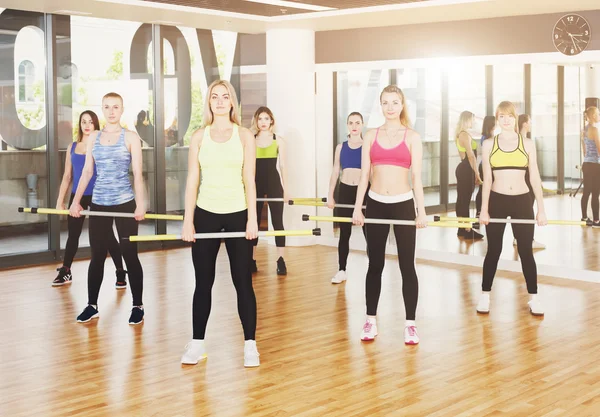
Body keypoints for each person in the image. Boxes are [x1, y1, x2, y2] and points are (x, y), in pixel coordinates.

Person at [180, 80, 260, 368]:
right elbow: (192, 180)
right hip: (206, 214)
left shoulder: (245, 136)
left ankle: (250, 345)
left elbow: (250, 180)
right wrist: (188, 220)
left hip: (238, 213)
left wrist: (252, 218)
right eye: (215, 97)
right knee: (203, 283)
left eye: (225, 96)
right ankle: (197, 344)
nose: (220, 101)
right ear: (209, 102)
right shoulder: (199, 137)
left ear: (232, 102)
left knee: (243, 283)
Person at [352, 85, 427, 345]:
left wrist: (421, 212)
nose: (391, 107)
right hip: (376, 203)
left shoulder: (412, 137)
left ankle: (410, 324)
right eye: (386, 103)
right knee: (375, 265)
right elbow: (364, 176)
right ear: (380, 106)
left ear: (402, 105)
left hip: (403, 203)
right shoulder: (371, 135)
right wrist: (357, 208)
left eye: (395, 102)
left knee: (408, 266)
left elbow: (417, 177)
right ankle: (370, 320)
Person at [70, 92, 146, 325]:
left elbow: (138, 175)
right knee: (97, 256)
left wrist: (141, 204)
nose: (111, 111)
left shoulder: (131, 137)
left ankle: (137, 306)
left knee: (129, 255)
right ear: (102, 110)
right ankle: (92, 305)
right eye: (107, 107)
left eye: (116, 107)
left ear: (122, 110)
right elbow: (87, 172)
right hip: (100, 203)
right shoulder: (93, 137)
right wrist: (76, 201)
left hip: (125, 203)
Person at [477, 101, 547, 316]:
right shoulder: (489, 144)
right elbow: (487, 180)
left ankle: (534, 298)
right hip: (497, 200)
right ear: (497, 119)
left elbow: (534, 177)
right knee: (494, 250)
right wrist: (484, 209)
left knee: (526, 251)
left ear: (515, 118)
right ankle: (485, 295)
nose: (506, 120)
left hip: (522, 201)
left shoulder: (527, 143)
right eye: (502, 116)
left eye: (509, 116)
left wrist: (541, 208)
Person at [53, 111, 126, 288]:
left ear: (96, 125)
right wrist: (60, 200)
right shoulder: (72, 147)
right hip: (77, 196)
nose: (86, 125)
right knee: (73, 235)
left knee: (107, 236)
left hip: (98, 196)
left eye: (90, 122)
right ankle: (66, 270)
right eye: (83, 122)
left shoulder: (100, 145)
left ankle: (120, 271)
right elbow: (67, 176)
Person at [327, 112, 366, 284]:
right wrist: (330, 195)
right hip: (345, 191)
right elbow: (336, 171)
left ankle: (374, 269)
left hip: (363, 192)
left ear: (362, 125)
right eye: (351, 123)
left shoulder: (367, 146)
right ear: (347, 126)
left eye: (357, 122)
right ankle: (342, 269)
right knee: (344, 234)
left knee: (369, 233)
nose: (354, 126)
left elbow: (371, 173)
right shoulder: (340, 147)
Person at [250, 106, 288, 275]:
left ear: (271, 120)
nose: (263, 122)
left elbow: (283, 166)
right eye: (260, 119)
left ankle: (281, 260)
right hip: (255, 184)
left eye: (266, 119)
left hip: (273, 183)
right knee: (254, 222)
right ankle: (251, 260)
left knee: (278, 222)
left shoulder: (278, 140)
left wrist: (286, 190)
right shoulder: (250, 139)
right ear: (256, 121)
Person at [515, 114, 545, 249]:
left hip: (522, 178)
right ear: (525, 124)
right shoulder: (526, 141)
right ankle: (529, 240)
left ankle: (518, 238)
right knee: (527, 209)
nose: (531, 124)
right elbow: (531, 166)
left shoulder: (519, 139)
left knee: (520, 209)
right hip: (526, 178)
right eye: (530, 122)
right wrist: (536, 181)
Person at [455, 111, 483, 239]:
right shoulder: (464, 135)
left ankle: (462, 229)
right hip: (467, 169)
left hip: (464, 168)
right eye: (472, 119)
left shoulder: (460, 134)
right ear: (467, 120)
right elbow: (471, 156)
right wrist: (477, 174)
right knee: (464, 201)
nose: (474, 122)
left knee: (461, 200)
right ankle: (466, 230)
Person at [580, 106, 600, 227]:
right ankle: (596, 221)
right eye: (598, 113)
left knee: (586, 192)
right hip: (595, 166)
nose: (599, 115)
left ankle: (584, 217)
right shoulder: (594, 129)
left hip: (586, 164)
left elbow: (585, 151)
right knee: (595, 193)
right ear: (593, 116)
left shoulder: (583, 129)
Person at [475, 115, 497, 219]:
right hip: (485, 166)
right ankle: (479, 211)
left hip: (488, 165)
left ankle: (484, 210)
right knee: (483, 188)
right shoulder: (487, 138)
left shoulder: (490, 136)